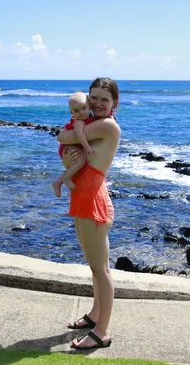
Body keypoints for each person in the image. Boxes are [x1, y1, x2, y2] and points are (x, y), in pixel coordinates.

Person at [56, 77, 121, 350]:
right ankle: (95, 315)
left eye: (104, 100)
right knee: (93, 266)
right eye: (93, 98)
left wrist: (67, 138)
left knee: (101, 269)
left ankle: (102, 331)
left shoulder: (106, 125)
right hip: (82, 197)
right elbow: (69, 141)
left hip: (93, 200)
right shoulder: (92, 124)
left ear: (114, 103)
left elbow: (64, 135)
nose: (97, 103)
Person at [52, 91, 95, 198]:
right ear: (72, 112)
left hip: (73, 146)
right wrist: (87, 147)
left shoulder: (89, 118)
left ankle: (58, 182)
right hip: (69, 147)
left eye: (83, 108)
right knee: (80, 161)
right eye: (76, 111)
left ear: (90, 107)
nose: (81, 112)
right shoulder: (79, 121)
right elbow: (79, 135)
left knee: (74, 166)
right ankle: (67, 178)